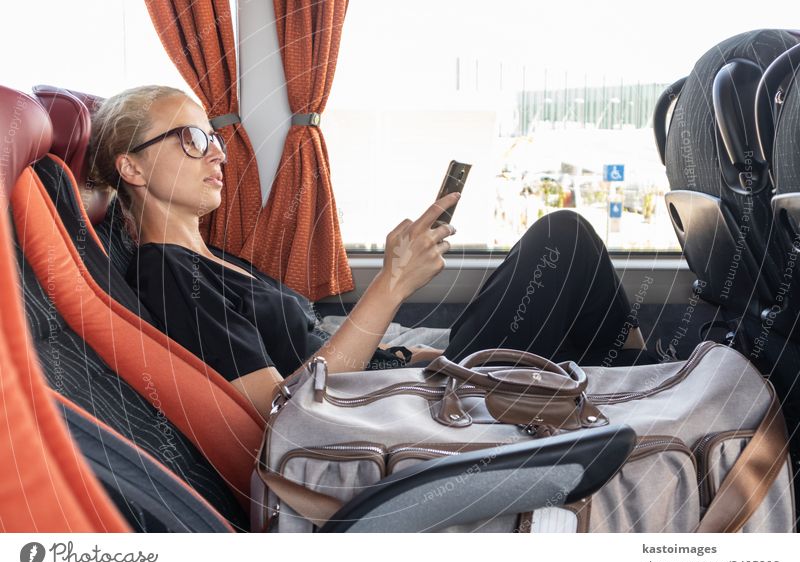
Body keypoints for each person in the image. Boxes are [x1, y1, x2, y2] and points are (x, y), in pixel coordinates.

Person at [88, 86, 654, 418]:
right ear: (131, 167)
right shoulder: (168, 275)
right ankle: (663, 391)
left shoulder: (220, 258)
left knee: (562, 254)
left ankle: (650, 385)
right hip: (399, 413)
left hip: (408, 381)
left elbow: (316, 345)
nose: (215, 154)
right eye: (189, 139)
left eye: (211, 137)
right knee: (563, 241)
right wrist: (391, 286)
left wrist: (419, 358)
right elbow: (283, 409)